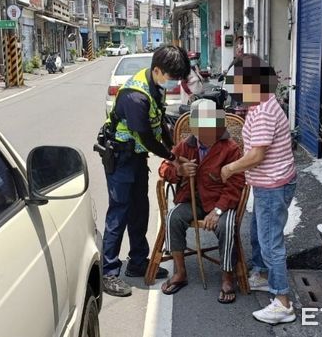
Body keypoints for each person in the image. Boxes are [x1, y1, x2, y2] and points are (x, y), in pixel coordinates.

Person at [101, 45, 191, 297]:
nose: (172, 82)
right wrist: (173, 158)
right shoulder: (134, 96)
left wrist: (174, 146)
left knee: (140, 209)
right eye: (171, 76)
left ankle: (138, 262)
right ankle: (109, 272)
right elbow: (147, 137)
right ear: (158, 70)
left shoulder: (155, 86)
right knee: (119, 212)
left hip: (137, 157)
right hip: (120, 157)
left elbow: (159, 122)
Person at [220, 54, 297, 324]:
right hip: (273, 182)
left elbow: (256, 156)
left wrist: (230, 168)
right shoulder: (263, 102)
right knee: (259, 232)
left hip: (272, 186)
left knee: (271, 243)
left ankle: (282, 302)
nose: (235, 90)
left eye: (237, 84)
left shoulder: (263, 111)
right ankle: (263, 276)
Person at [158, 99, 245, 303]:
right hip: (192, 201)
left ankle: (227, 276)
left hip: (219, 203)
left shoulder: (229, 148)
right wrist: (179, 171)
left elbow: (236, 184)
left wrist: (218, 210)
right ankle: (180, 272)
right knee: (172, 217)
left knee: (227, 226)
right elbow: (164, 168)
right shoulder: (185, 145)